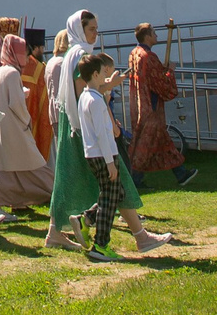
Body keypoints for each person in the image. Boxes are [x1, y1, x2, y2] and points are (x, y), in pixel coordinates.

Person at [74, 52, 176, 258]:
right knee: (109, 199)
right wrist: (110, 162)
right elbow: (103, 134)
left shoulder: (86, 96)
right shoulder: (95, 101)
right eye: (103, 73)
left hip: (94, 154)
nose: (106, 77)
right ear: (95, 74)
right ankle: (101, 245)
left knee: (116, 194)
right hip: (103, 155)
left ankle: (87, 218)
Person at [44, 9, 99, 249]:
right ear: (79, 29)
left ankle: (58, 229)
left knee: (69, 174)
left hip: (71, 119)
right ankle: (81, 222)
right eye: (91, 29)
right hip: (78, 122)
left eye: (96, 29)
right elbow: (80, 91)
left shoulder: (73, 52)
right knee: (81, 173)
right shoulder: (80, 54)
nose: (95, 34)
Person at [0, 32, 50, 212]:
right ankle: (56, 195)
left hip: (3, 126)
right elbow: (16, 104)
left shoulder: (1, 70)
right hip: (16, 127)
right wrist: (27, 121)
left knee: (7, 169)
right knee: (35, 165)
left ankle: (7, 205)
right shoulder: (12, 73)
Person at [125, 23, 189, 186]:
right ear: (147, 36)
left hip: (139, 105)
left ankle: (181, 174)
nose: (156, 36)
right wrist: (170, 71)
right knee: (145, 145)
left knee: (161, 142)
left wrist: (163, 70)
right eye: (154, 33)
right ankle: (134, 179)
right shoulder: (148, 56)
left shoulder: (134, 53)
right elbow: (159, 82)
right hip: (151, 107)